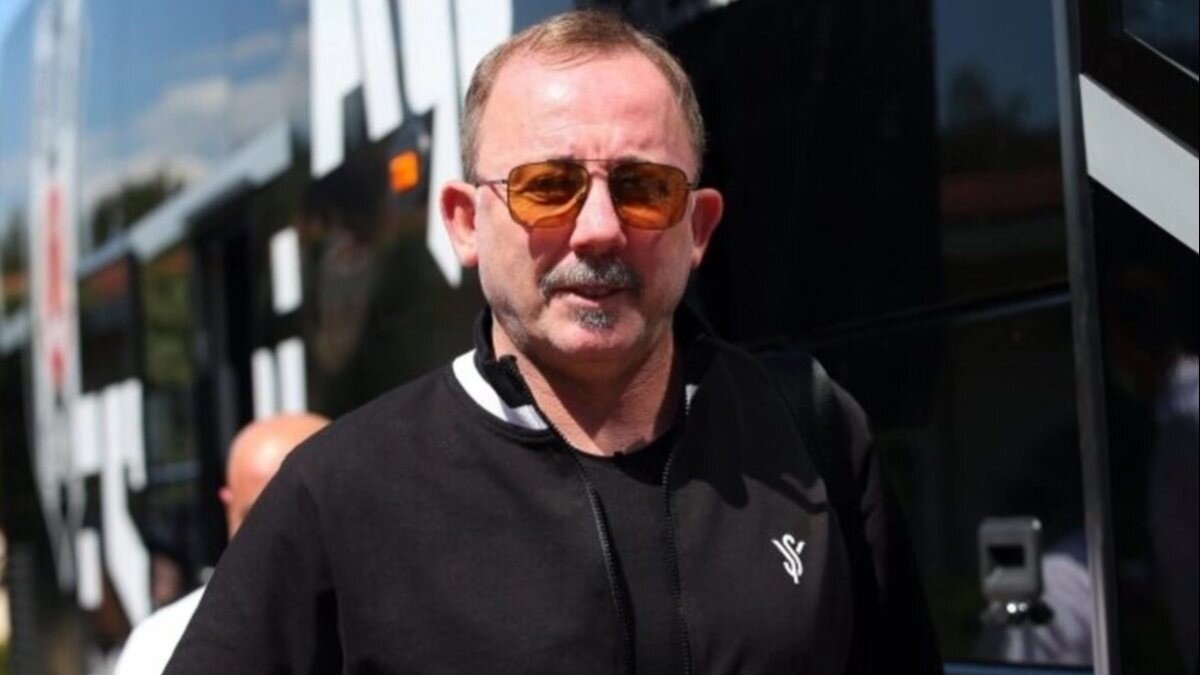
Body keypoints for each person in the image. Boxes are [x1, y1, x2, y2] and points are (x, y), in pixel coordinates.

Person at [165, 10, 939, 674]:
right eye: (547, 187)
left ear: (698, 227)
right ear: (465, 223)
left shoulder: (808, 430)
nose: (599, 228)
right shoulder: (340, 490)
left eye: (643, 188)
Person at [114, 413, 329, 675]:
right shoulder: (161, 642)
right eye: (255, 521)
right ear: (228, 504)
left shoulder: (367, 625)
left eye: (302, 520)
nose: (276, 542)